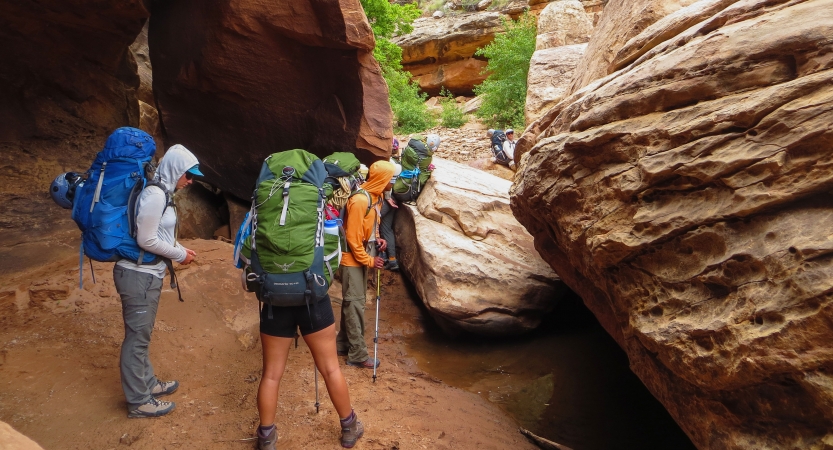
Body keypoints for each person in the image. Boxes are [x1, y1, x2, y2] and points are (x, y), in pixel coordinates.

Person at [114, 144, 199, 418]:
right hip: (137, 274)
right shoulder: (154, 194)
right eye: (188, 175)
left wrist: (180, 248)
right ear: (175, 170)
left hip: (146, 273)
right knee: (137, 338)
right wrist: (179, 255)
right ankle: (139, 401)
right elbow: (145, 239)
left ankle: (148, 383)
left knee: (143, 334)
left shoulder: (161, 192)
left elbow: (157, 234)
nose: (190, 181)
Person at [336, 160, 396, 369]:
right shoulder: (361, 200)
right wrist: (369, 260)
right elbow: (352, 238)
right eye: (391, 179)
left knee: (353, 302)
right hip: (351, 260)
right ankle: (358, 355)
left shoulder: (375, 198)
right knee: (355, 304)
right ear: (382, 179)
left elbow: (369, 227)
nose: (393, 182)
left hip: (360, 256)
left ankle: (343, 344)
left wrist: (377, 238)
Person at [380, 139, 403, 271]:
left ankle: (381, 255)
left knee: (372, 222)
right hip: (395, 199)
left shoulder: (390, 163)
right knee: (386, 229)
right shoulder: (400, 163)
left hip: (388, 199)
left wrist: (387, 198)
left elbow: (388, 183)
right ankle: (392, 260)